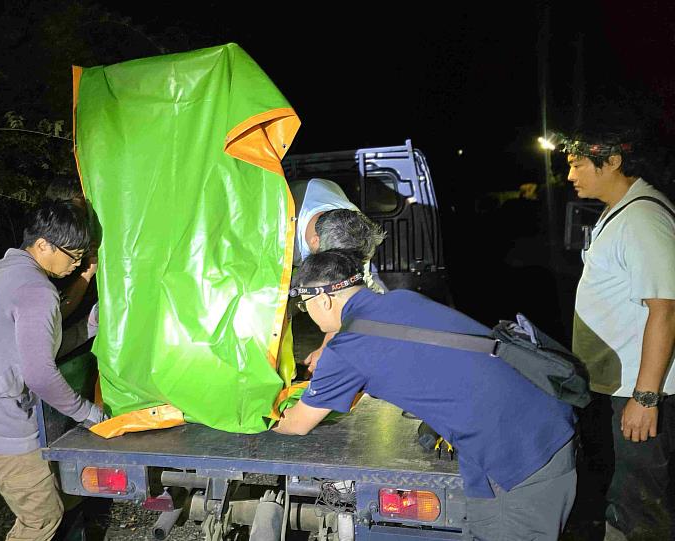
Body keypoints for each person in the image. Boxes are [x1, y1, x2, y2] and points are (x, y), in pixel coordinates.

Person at [275, 249, 577, 540]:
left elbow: (297, 424)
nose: (307, 313)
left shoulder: (346, 352)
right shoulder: (401, 299)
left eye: (304, 305)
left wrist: (248, 413)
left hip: (523, 453)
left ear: (323, 299)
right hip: (531, 416)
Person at [0, 200, 106, 541]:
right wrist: (89, 413)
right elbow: (40, 374)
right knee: (42, 518)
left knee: (66, 493)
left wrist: (88, 328)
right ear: (43, 244)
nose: (77, 265)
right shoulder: (36, 290)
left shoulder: (5, 275)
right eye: (73, 255)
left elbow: (33, 348)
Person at [566, 122, 675, 540]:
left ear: (612, 161)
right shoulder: (624, 210)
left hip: (641, 389)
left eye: (577, 165)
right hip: (623, 386)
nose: (571, 176)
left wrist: (645, 397)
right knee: (626, 491)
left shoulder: (644, 217)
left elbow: (664, 309)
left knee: (641, 503)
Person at [290, 178, 387, 372]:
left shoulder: (354, 232)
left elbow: (352, 299)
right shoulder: (282, 232)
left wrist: (329, 347)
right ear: (315, 242)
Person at [43, 176, 97, 322]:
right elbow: (55, 317)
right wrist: (87, 273)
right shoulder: (48, 249)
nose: (81, 222)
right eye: (77, 213)